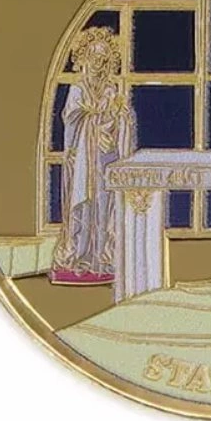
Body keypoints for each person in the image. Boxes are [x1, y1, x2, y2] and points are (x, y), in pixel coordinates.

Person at [50, 27, 136, 284]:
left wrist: (119, 114)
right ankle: (79, 257)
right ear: (84, 59)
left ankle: (102, 259)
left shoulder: (110, 89)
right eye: (94, 57)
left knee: (104, 206)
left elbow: (118, 121)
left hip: (105, 158)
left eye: (103, 59)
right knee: (83, 206)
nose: (98, 64)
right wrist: (96, 113)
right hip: (82, 159)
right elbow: (72, 117)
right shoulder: (77, 90)